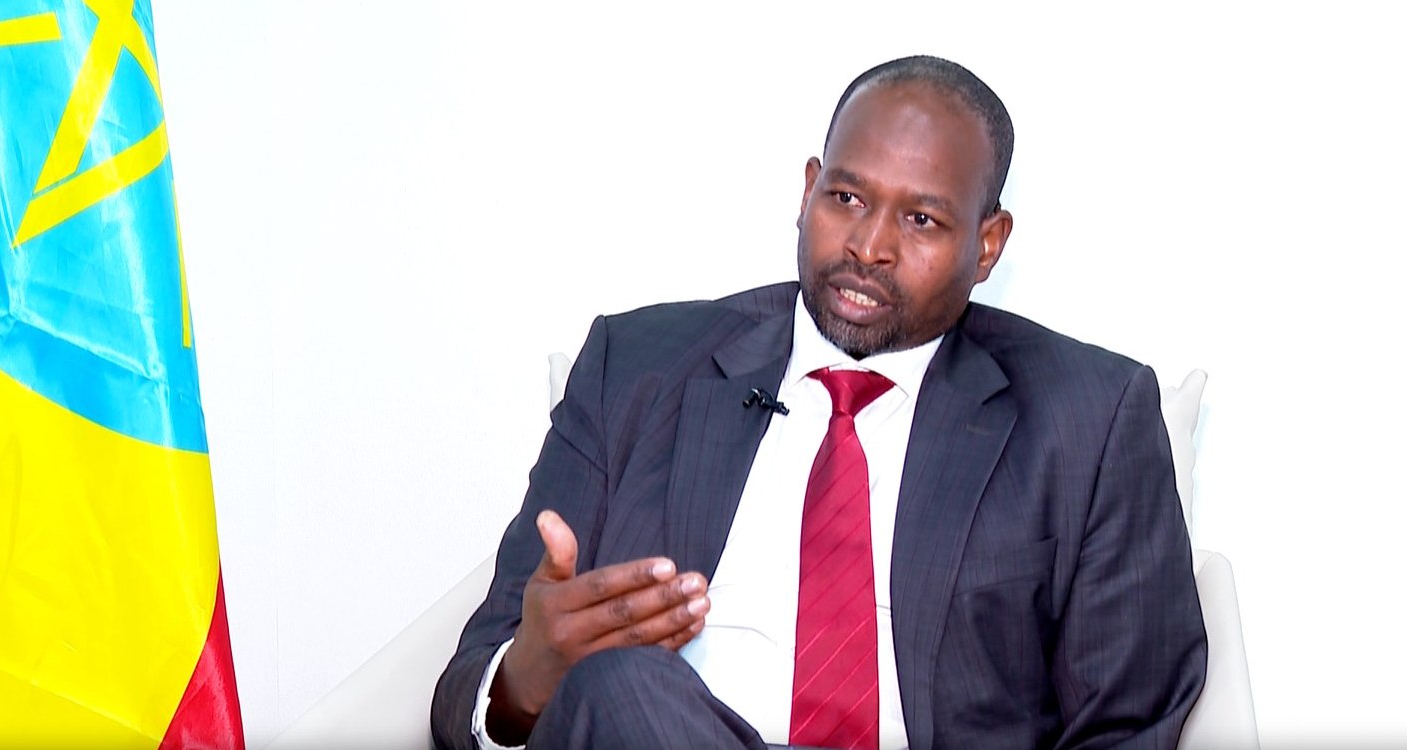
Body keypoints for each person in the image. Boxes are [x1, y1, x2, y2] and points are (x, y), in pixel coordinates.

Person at [431, 54, 1207, 750]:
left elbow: (1129, 721)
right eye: (846, 197)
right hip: (664, 732)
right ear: (808, 191)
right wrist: (523, 682)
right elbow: (469, 688)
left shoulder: (1090, 418)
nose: (869, 246)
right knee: (619, 688)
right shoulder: (634, 367)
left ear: (987, 243)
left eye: (921, 219)